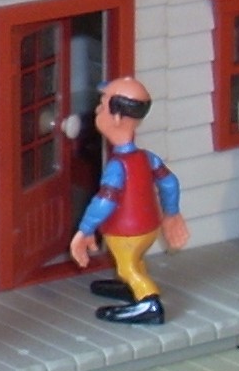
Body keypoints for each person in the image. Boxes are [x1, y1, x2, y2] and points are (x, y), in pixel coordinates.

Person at [67, 77, 190, 324]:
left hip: (126, 232)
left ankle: (149, 303)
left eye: (102, 105)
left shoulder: (117, 165)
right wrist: (171, 212)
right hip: (149, 228)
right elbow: (170, 182)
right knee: (136, 259)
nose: (97, 110)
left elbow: (105, 201)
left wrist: (85, 229)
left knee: (127, 266)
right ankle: (133, 286)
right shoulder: (147, 157)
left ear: (116, 117)